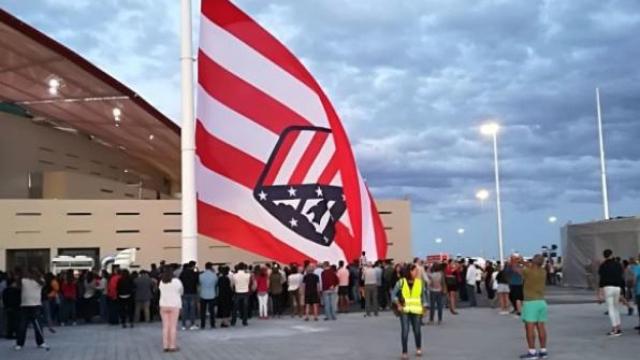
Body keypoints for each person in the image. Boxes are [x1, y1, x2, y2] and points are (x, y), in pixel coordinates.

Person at [516, 255, 548, 359]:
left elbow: (515, 269)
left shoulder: (528, 272)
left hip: (530, 303)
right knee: (541, 327)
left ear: (533, 262)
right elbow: (531, 266)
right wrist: (523, 261)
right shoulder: (543, 272)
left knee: (529, 328)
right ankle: (543, 351)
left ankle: (532, 352)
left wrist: (515, 261)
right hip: (541, 302)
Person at [392, 264, 424, 359]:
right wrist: (398, 304)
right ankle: (404, 352)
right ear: (409, 271)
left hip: (416, 310)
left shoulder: (420, 283)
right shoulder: (401, 282)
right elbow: (393, 295)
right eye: (415, 271)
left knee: (417, 330)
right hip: (404, 310)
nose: (417, 272)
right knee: (405, 331)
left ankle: (418, 348)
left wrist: (425, 307)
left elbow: (423, 296)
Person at [15, 268, 49, 351]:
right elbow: (44, 284)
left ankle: (20, 344)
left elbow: (17, 285)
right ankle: (40, 342)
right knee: (36, 325)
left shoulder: (25, 280)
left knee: (23, 325)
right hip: (34, 305)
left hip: (27, 305)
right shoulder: (38, 280)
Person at [598, 249, 624, 336]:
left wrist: (600, 294)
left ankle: (614, 329)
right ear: (612, 255)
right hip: (617, 287)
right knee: (616, 308)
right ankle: (619, 327)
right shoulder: (618, 265)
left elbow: (601, 279)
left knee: (611, 309)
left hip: (608, 288)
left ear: (604, 256)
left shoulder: (603, 266)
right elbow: (621, 277)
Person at [159, 269, 183, 353]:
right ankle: (172, 346)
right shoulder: (177, 281)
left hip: (163, 305)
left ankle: (165, 346)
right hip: (174, 305)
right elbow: (181, 292)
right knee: (173, 326)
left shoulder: (162, 282)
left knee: (165, 326)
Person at [179, 263, 199, 330]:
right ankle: (192, 324)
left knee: (185, 309)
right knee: (192, 309)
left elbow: (180, 282)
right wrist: (197, 271)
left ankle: (183, 325)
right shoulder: (194, 273)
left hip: (184, 293)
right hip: (192, 292)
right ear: (193, 266)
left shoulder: (182, 273)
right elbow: (197, 281)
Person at [199, 262, 218, 329]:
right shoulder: (214, 275)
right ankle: (212, 324)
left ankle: (202, 325)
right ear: (211, 267)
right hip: (212, 294)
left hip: (203, 294)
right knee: (212, 311)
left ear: (205, 267)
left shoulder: (201, 275)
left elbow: (200, 284)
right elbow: (216, 284)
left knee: (203, 311)